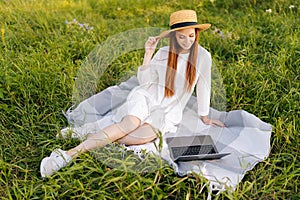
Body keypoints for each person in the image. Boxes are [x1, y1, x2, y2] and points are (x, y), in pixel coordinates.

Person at [40, 9, 225, 177]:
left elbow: (203, 86)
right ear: (174, 36)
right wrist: (147, 54)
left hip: (168, 110)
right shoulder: (163, 52)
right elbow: (145, 81)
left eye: (191, 36)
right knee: (129, 124)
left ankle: (91, 134)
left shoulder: (203, 57)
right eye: (181, 37)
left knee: (142, 137)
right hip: (146, 96)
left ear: (197, 34)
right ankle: (67, 155)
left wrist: (204, 116)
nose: (187, 41)